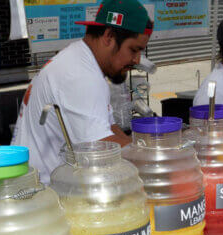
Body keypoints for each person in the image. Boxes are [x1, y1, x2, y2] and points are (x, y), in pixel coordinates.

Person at [12, 0, 152, 183]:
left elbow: (110, 128)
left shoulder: (84, 62)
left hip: (55, 184)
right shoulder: (79, 76)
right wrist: (156, 158)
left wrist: (141, 151)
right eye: (133, 50)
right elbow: (102, 149)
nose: (136, 59)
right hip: (43, 193)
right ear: (108, 36)